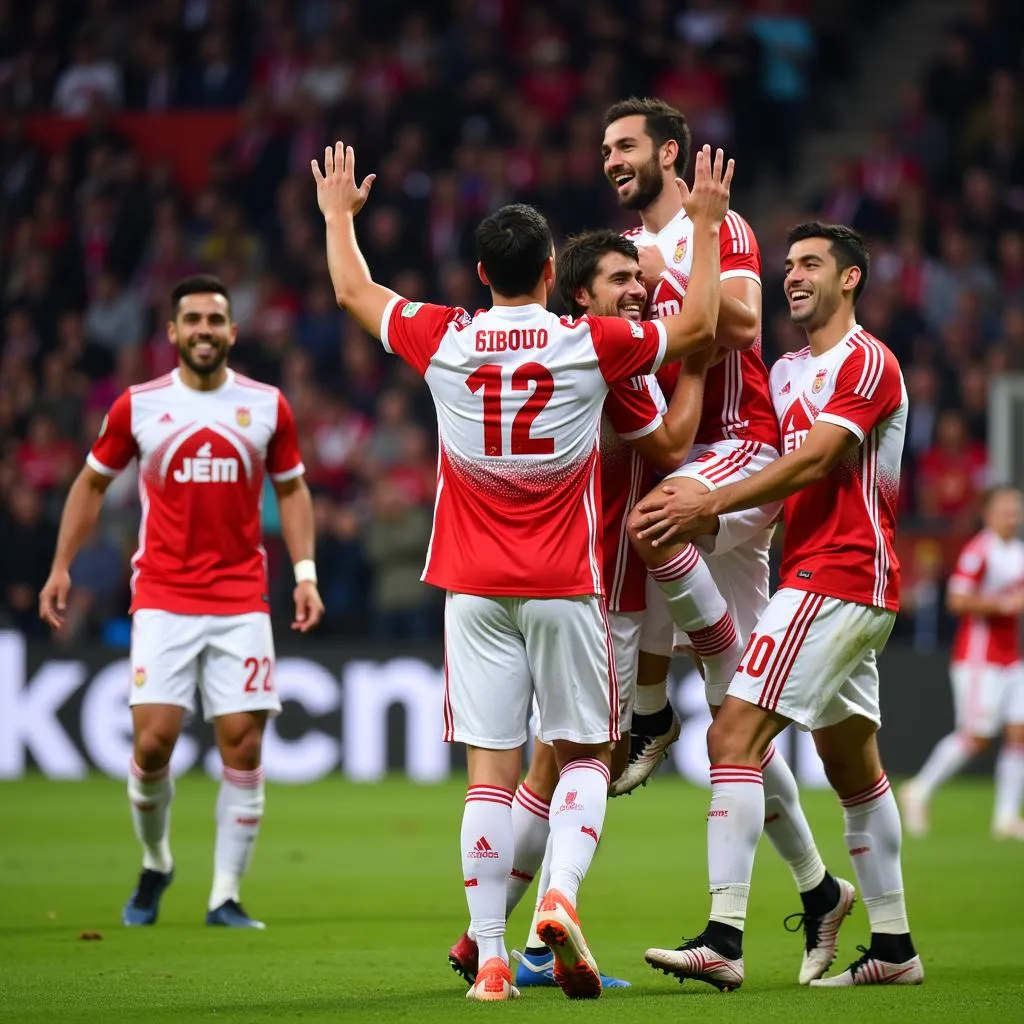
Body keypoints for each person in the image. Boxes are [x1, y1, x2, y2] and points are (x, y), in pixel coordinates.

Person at [312, 140, 732, 1001]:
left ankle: (492, 959)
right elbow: (695, 329)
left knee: (490, 777)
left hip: (470, 587)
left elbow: (353, 290)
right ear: (551, 271)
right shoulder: (589, 343)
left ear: (480, 272)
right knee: (584, 754)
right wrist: (709, 224)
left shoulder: (446, 335)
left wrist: (337, 218)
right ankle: (561, 900)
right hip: (565, 583)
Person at [636, 222, 923, 988]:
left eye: (810, 264)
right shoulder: (788, 367)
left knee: (732, 734)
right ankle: (894, 948)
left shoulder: (868, 361)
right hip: (819, 574)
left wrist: (712, 506)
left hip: (840, 574)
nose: (791, 275)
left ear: (851, 277)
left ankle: (724, 939)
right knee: (852, 766)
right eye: (787, 264)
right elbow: (760, 439)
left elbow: (822, 457)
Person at [605, 96, 851, 984]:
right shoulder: (624, 254)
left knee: (651, 522)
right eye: (605, 148)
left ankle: (651, 710)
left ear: (670, 152)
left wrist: (685, 270)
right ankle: (819, 893)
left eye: (627, 145)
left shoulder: (721, 226)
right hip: (689, 453)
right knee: (737, 719)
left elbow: (739, 325)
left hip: (739, 449)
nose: (612, 159)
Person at [447, 229, 714, 992]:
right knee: (584, 759)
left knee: (531, 765)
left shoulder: (513, 345)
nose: (636, 289)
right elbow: (671, 442)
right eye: (620, 279)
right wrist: (693, 362)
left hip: (511, 581)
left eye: (639, 277)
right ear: (575, 293)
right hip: (597, 590)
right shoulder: (603, 355)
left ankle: (485, 939)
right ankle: (537, 935)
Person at [39, 275, 325, 930]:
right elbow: (89, 484)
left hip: (240, 598)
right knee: (154, 742)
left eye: (214, 320)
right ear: (171, 332)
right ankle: (157, 860)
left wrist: (305, 571)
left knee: (243, 746)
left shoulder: (265, 406)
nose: (203, 330)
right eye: (191, 320)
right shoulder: (138, 406)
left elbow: (294, 490)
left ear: (232, 331)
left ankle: (224, 895)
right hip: (164, 594)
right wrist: (62, 565)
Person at [900, 486, 1024, 840]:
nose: (1012, 517)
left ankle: (1006, 818)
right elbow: (957, 599)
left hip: (1011, 656)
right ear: (989, 513)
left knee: (1019, 732)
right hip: (978, 657)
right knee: (977, 735)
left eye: (1016, 510)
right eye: (1005, 510)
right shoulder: (979, 550)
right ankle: (919, 789)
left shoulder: (1017, 552)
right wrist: (1002, 605)